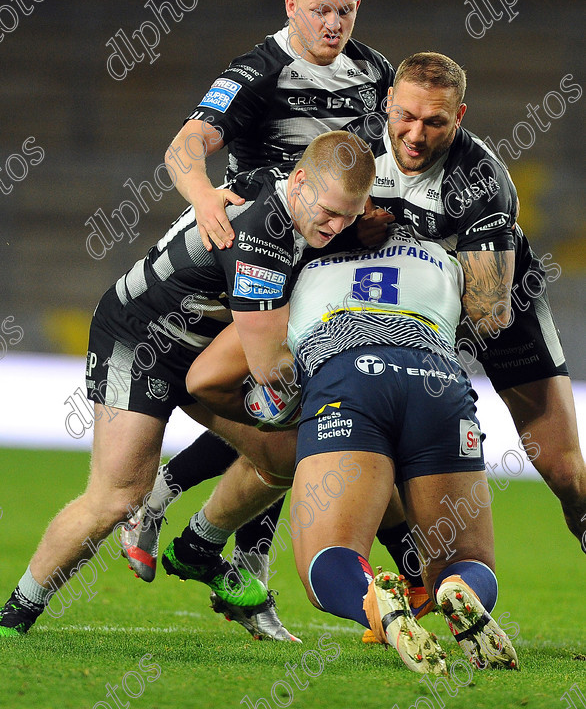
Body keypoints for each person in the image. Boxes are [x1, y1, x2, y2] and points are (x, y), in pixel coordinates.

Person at [121, 0, 418, 629]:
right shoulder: (258, 70)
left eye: (344, 9)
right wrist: (202, 197)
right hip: (262, 255)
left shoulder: (371, 69)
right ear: (292, 6)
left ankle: (195, 534)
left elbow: (369, 157)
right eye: (319, 10)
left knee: (284, 409)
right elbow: (185, 144)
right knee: (279, 404)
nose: (333, 23)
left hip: (324, 258)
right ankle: (205, 540)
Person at [0, 131, 375, 638]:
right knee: (116, 497)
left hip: (202, 353)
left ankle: (198, 546)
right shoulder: (260, 235)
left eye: (350, 216)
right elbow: (269, 367)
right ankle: (16, 614)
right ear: (301, 181)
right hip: (138, 337)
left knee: (286, 452)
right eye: (330, 212)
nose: (336, 227)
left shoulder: (288, 195)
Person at [349, 51, 586, 551]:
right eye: (405, 117)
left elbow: (488, 311)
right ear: (387, 102)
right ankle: (411, 569)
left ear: (459, 116)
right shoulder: (354, 149)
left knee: (566, 473)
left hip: (502, 313)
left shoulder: (482, 179)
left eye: (434, 122)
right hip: (393, 310)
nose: (415, 136)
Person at [286, 224, 518, 674]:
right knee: (465, 559)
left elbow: (221, 368)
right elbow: (493, 315)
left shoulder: (304, 259)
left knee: (328, 556)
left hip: (348, 373)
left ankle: (378, 602)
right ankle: (457, 588)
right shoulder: (444, 257)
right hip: (438, 379)